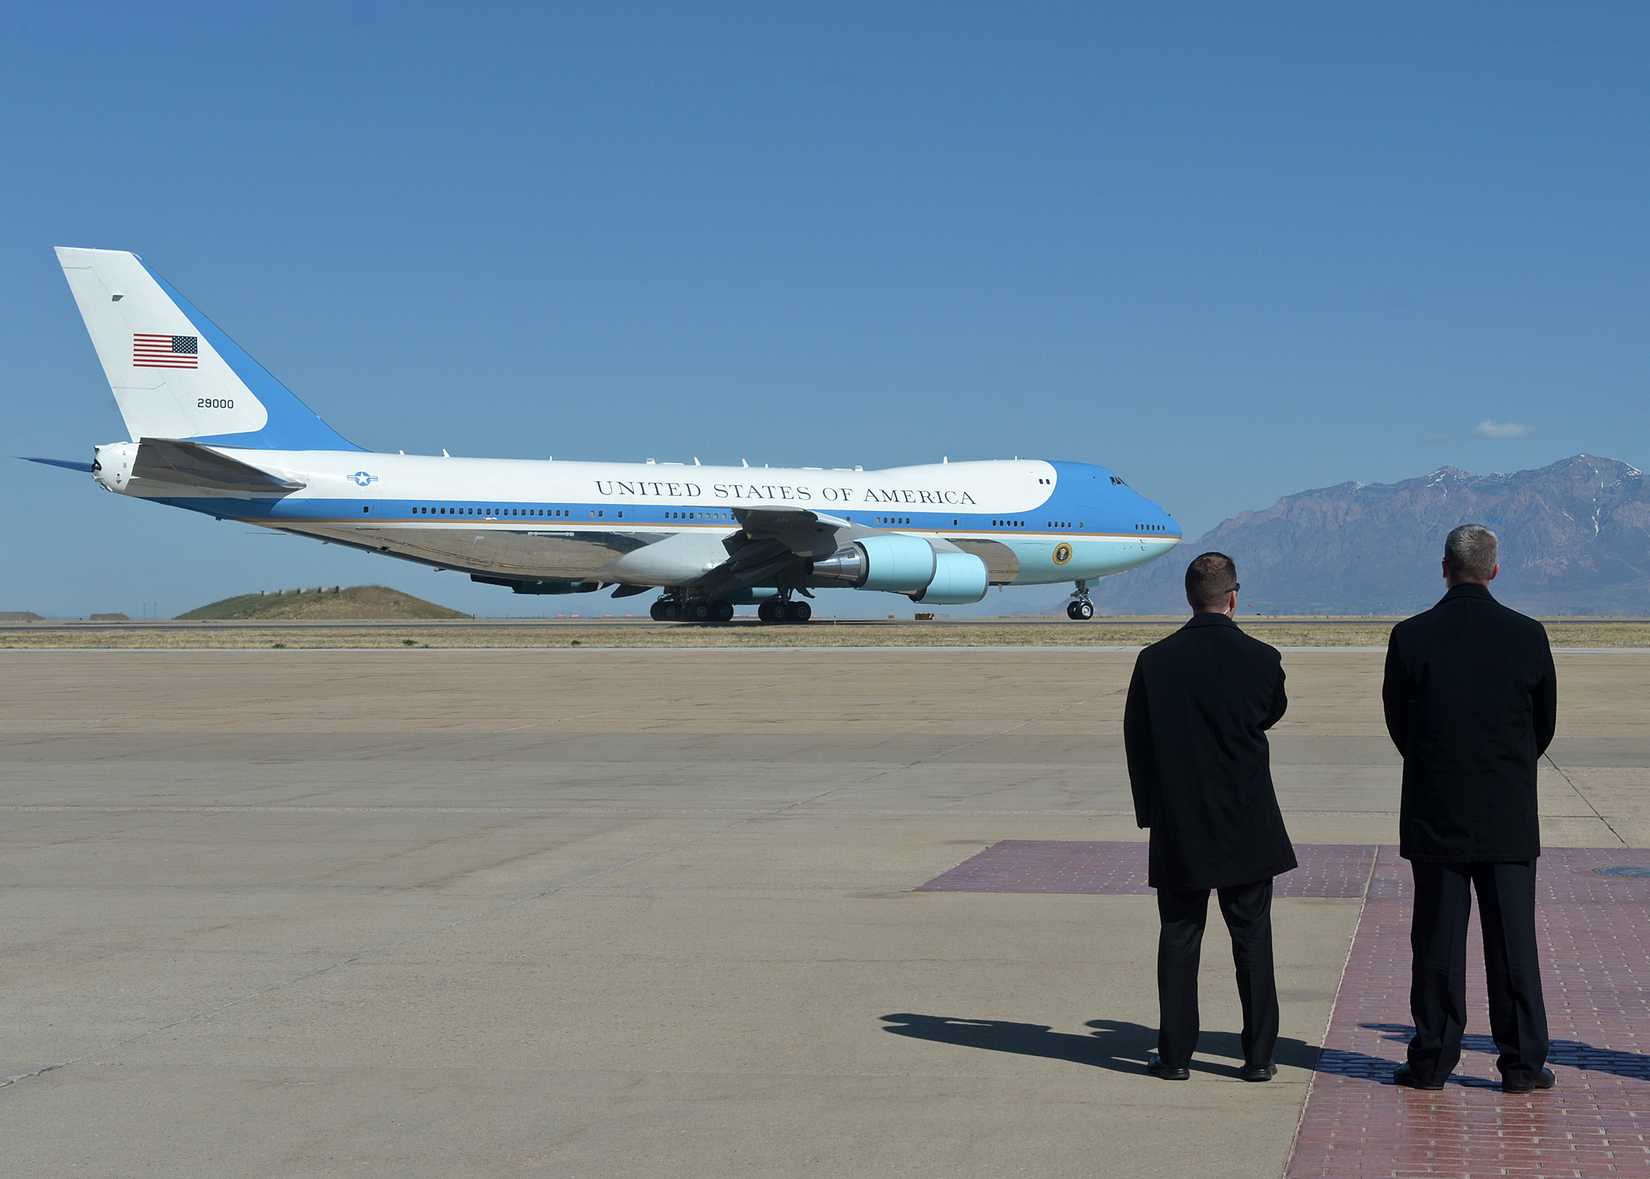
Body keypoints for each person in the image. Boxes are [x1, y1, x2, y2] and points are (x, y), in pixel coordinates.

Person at [1382, 523, 1557, 1093]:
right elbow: (1543, 725)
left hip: (1437, 811)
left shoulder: (1411, 637)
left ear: (1444, 568)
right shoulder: (1528, 635)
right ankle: (1523, 1066)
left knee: (1436, 941)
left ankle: (1432, 1060)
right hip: (1506, 813)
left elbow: (1399, 724)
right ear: (1495, 570)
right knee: (1513, 944)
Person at [1124, 552, 1296, 1082]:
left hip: (1181, 823)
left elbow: (1138, 741)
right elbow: (1271, 712)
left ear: (1188, 597)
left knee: (1179, 938)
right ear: (1233, 596)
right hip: (1246, 822)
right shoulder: (1263, 658)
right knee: (1252, 939)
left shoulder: (1155, 661)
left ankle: (1175, 1055)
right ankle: (1260, 1054)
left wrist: (1150, 812)